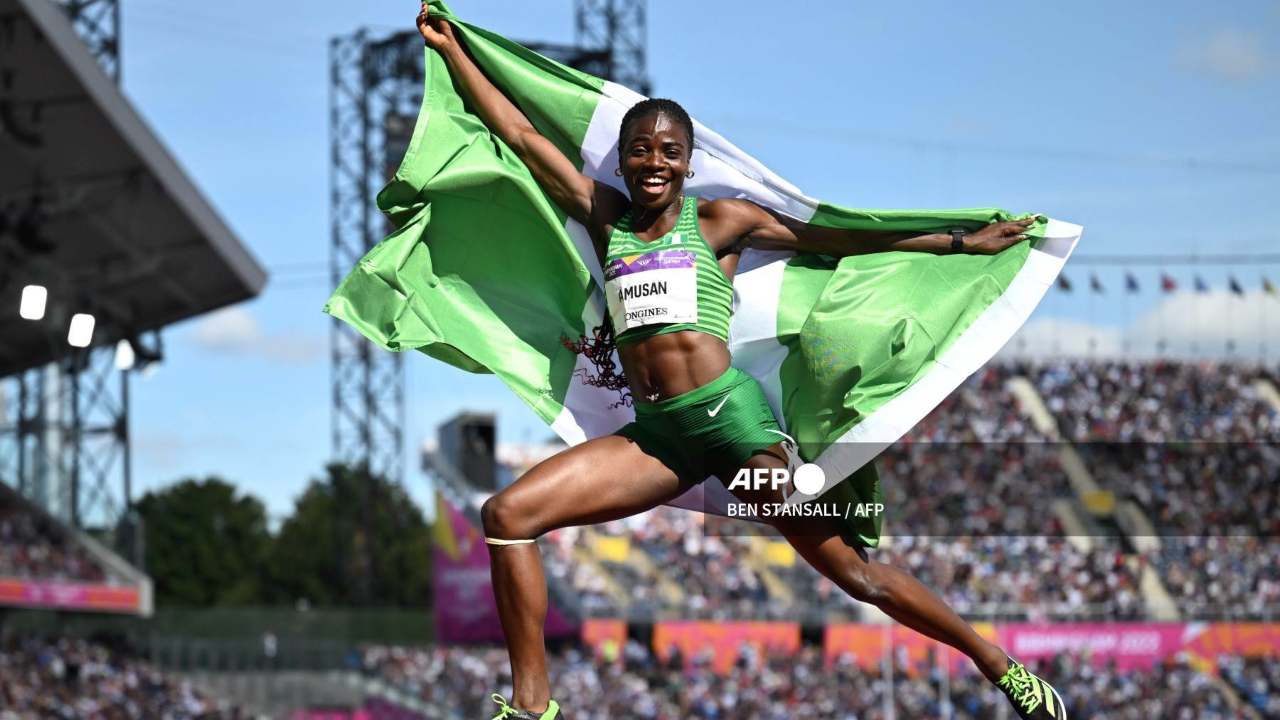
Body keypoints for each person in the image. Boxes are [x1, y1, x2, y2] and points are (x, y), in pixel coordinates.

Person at [416, 5, 1066, 719]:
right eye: (640, 150)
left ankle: (1000, 666)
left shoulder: (721, 222)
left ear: (688, 163)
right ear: (624, 159)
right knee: (508, 515)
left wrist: (960, 243)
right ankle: (536, 707)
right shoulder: (606, 220)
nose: (654, 162)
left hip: (735, 427)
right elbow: (518, 133)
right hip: (657, 439)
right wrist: (455, 52)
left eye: (668, 152)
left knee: (857, 574)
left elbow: (837, 240)